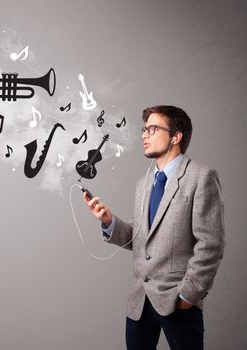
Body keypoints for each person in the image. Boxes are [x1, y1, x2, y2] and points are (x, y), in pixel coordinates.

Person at [83, 105, 225, 350]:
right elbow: (141, 240)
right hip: (139, 301)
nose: (144, 135)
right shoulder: (144, 183)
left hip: (177, 300)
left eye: (153, 129)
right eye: (144, 129)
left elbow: (211, 244)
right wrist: (108, 221)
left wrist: (187, 295)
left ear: (176, 136)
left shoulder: (202, 177)